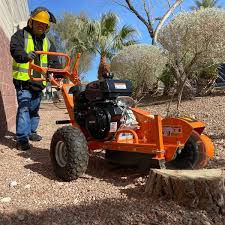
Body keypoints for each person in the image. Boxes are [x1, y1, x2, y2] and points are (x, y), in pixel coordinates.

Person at [10, 7, 60, 151]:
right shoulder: (20, 35)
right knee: (24, 108)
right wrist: (25, 56)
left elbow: (54, 61)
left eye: (44, 24)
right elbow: (15, 49)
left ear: (47, 27)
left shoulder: (48, 43)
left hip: (39, 82)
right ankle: (22, 138)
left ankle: (32, 132)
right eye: (38, 22)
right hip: (23, 81)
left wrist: (57, 74)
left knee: (34, 109)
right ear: (31, 22)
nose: (41, 26)